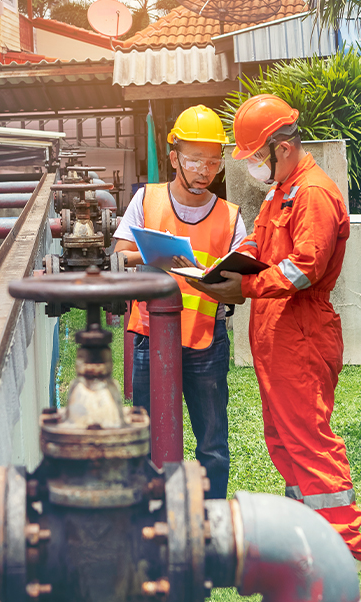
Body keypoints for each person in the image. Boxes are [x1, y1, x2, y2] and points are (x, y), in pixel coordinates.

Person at [180, 93, 361, 558]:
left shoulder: (314, 193)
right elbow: (260, 249)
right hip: (279, 334)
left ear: (282, 148)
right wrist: (221, 271)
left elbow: (306, 267)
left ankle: (344, 551)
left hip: (300, 333)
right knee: (285, 442)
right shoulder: (282, 192)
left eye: (255, 156)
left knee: (308, 443)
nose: (251, 166)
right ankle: (310, 542)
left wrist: (245, 289)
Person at [114, 105, 246, 499]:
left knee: (212, 447)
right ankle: (152, 518)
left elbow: (241, 284)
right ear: (174, 158)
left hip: (207, 343)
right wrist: (154, 256)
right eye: (195, 160)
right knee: (149, 443)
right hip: (149, 339)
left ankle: (210, 521)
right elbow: (119, 256)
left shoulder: (230, 216)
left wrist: (219, 281)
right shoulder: (146, 201)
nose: (205, 170)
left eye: (213, 162)